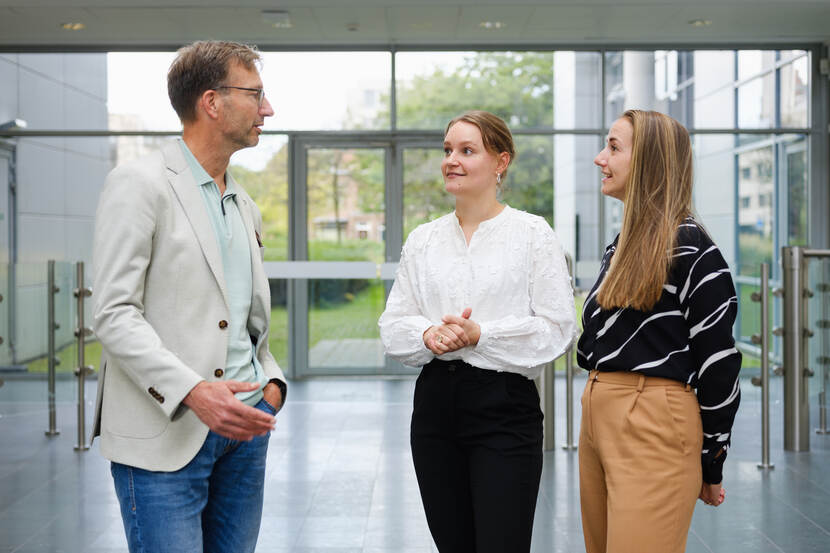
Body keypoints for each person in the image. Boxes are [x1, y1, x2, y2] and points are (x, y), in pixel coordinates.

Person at [91, 41, 287, 553]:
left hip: (245, 433)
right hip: (165, 436)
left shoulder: (242, 202)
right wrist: (193, 392)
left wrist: (273, 384)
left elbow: (245, 319)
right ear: (212, 102)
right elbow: (113, 315)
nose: (268, 109)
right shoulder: (138, 184)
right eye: (256, 94)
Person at [378, 110, 576, 552]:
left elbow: (558, 328)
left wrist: (480, 334)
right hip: (434, 409)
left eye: (467, 150)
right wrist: (429, 334)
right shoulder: (423, 240)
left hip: (505, 409)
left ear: (500, 161)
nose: (452, 159)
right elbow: (393, 325)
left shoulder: (532, 234)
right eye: (448, 150)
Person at [577, 109, 741, 553]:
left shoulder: (692, 247)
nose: (599, 158)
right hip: (599, 413)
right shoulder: (623, 244)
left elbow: (719, 363)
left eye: (613, 147)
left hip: (652, 418)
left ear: (649, 161)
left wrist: (712, 460)